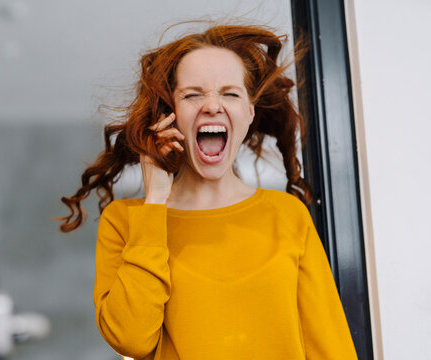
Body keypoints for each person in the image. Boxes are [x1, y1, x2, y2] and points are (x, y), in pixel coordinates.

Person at [59, 23, 358, 360]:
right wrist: (156, 200)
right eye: (192, 94)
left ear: (248, 113)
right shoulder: (127, 222)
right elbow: (130, 339)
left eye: (230, 93)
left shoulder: (287, 215)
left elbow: (329, 347)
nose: (213, 106)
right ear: (168, 116)